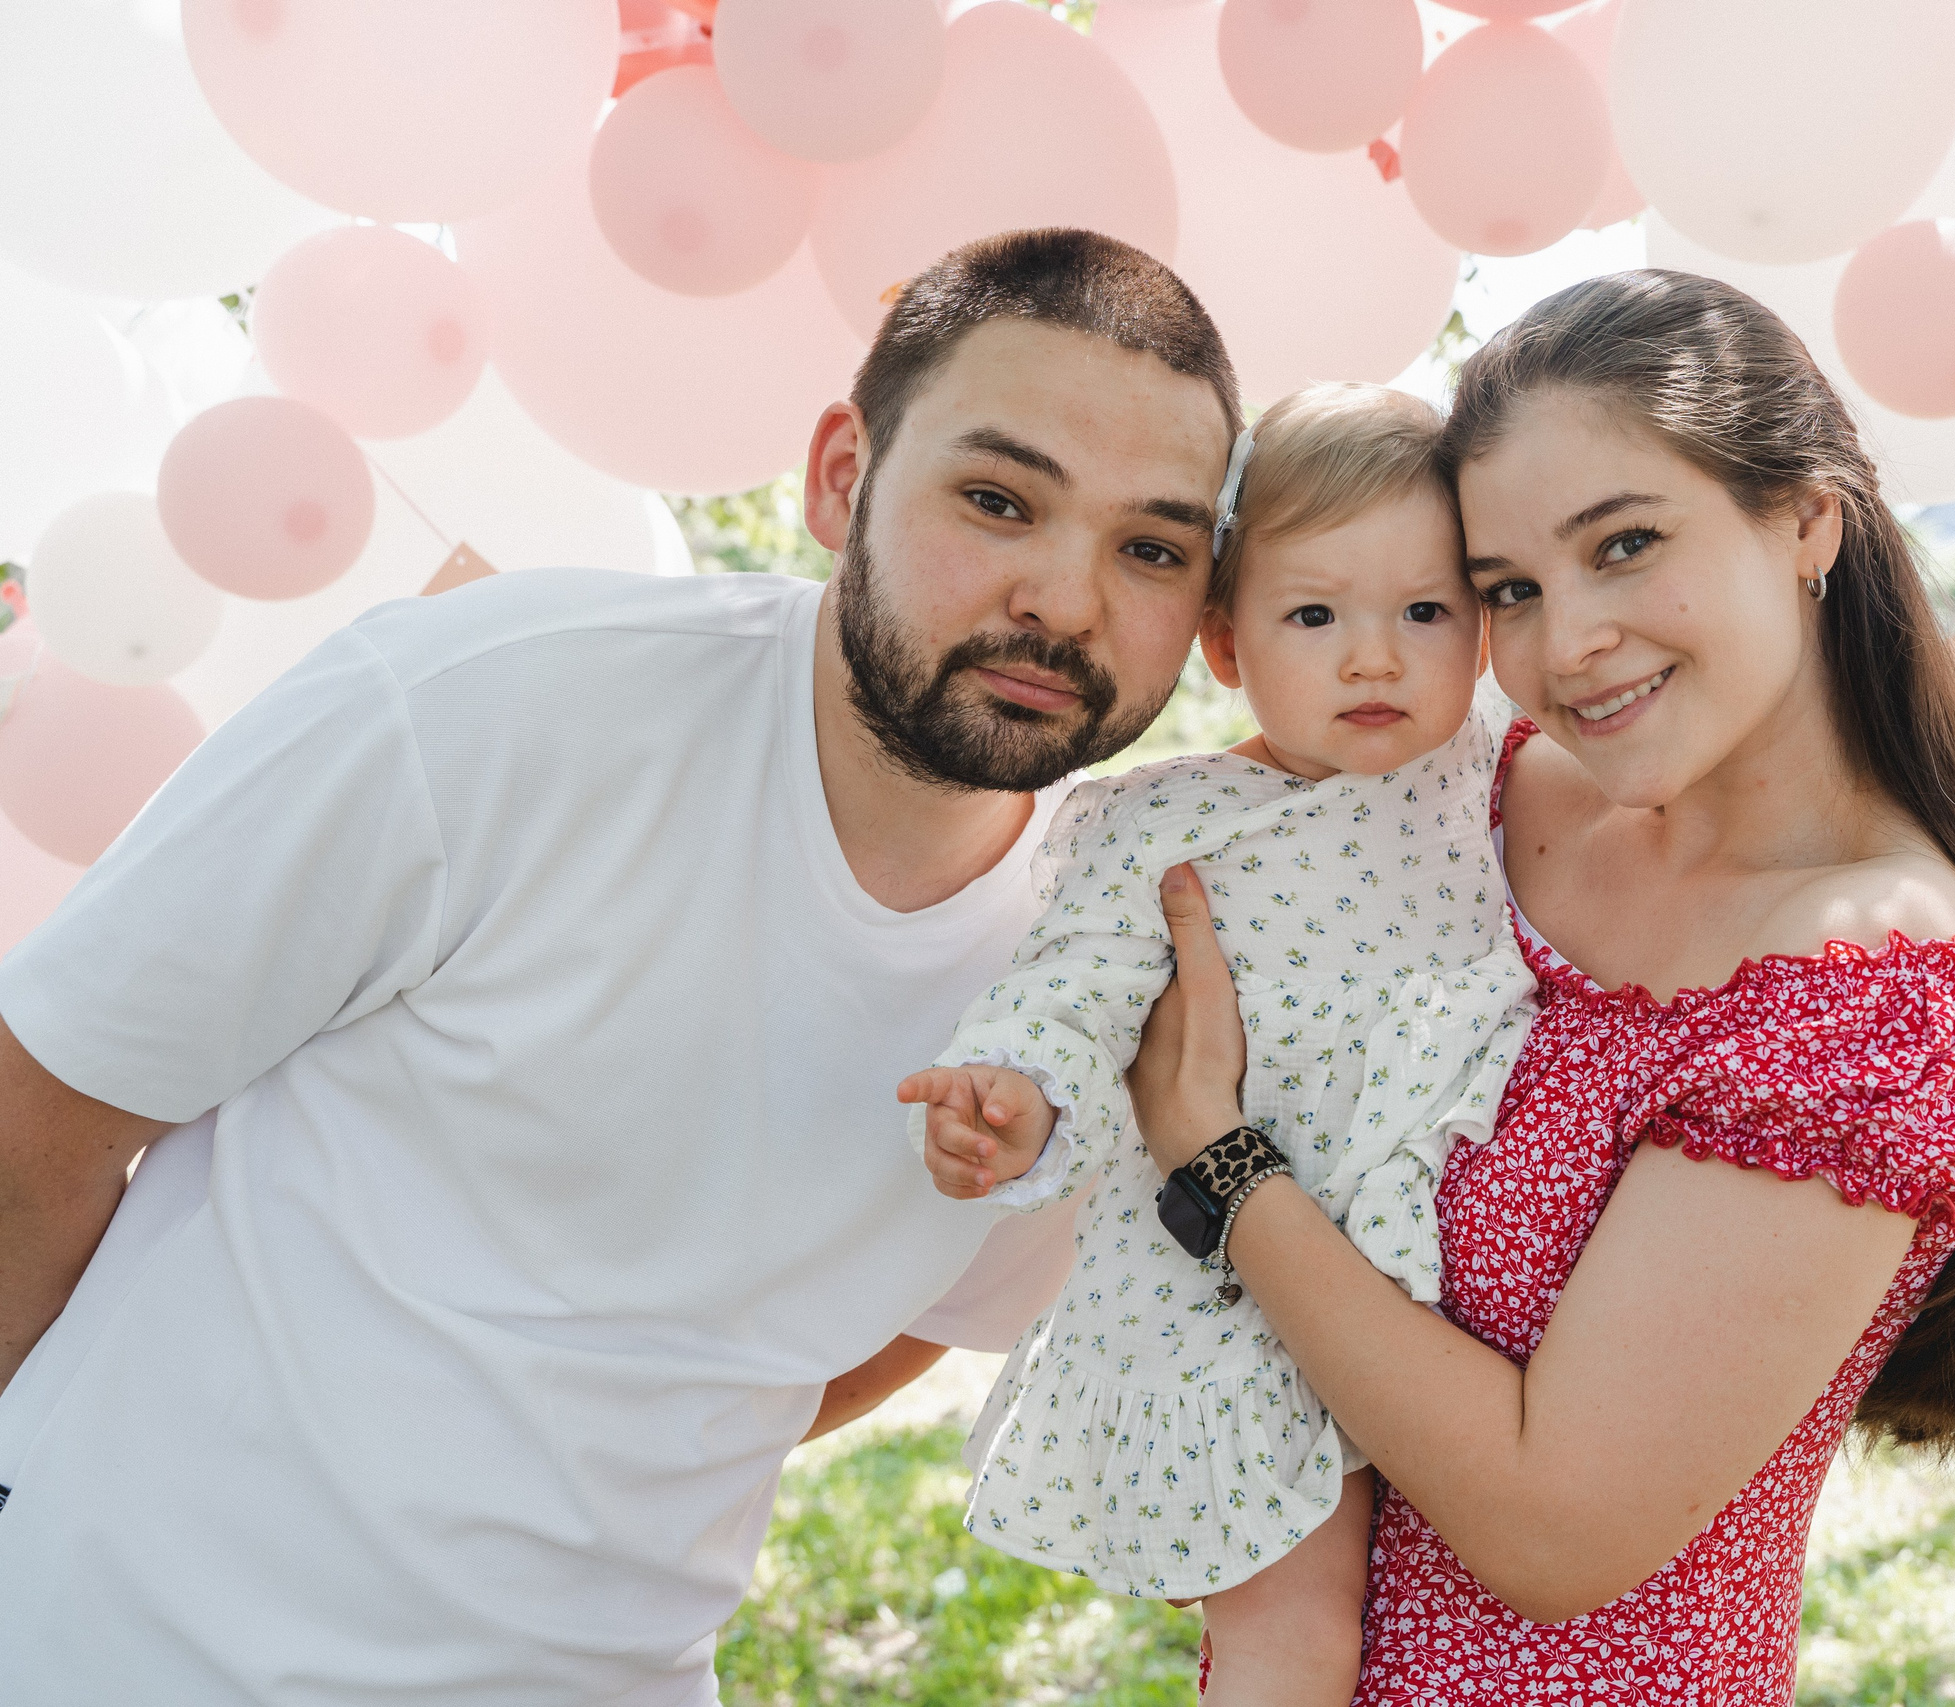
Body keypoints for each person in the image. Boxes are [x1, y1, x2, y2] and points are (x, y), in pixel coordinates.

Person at [0, 228, 1240, 1704]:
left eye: (1151, 547)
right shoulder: (483, 704)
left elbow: (914, 1328)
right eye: (997, 498)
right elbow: (41, 1122)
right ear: (841, 477)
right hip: (130, 1653)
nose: (1068, 598)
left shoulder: (1105, 973)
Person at [1121, 270, 1955, 1704]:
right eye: (1509, 590)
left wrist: (1220, 1168)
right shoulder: (1484, 786)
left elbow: (1554, 1522)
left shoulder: (1880, 991)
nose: (1564, 642)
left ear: (1806, 521)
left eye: (1626, 545)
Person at [902, 383, 1539, 1705]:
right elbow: (1072, 989)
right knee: (1294, 1634)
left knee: (1446, 1598)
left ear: (1481, 628)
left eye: (1424, 611)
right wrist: (1013, 1091)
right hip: (1223, 1307)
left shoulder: (1500, 777)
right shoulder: (1165, 824)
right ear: (1227, 642)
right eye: (1316, 615)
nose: (1375, 659)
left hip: (1436, 1289)